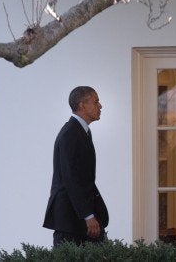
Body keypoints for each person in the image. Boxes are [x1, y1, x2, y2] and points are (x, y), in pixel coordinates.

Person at [43, 86, 109, 246]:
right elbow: (71, 177)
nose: (100, 106)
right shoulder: (71, 133)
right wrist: (88, 215)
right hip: (71, 220)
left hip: (76, 219)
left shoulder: (81, 131)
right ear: (82, 105)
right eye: (96, 101)